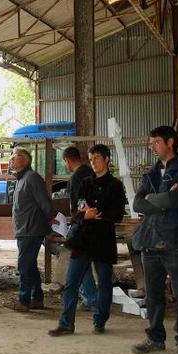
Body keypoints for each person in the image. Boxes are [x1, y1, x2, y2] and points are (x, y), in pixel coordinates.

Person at [131, 126, 178, 354]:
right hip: (150, 240)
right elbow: (137, 204)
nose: (152, 147)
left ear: (170, 142)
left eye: (156, 142)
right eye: (150, 143)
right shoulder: (151, 173)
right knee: (153, 295)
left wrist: (156, 200)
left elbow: (174, 199)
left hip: (176, 240)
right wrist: (159, 202)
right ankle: (155, 337)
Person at [49, 144, 126, 336]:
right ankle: (66, 323)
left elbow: (118, 214)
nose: (93, 163)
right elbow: (76, 210)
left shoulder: (115, 185)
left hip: (103, 240)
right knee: (71, 282)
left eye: (97, 159)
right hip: (82, 239)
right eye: (91, 159)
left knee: (105, 283)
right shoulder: (85, 183)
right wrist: (84, 216)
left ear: (107, 159)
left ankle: (100, 321)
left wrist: (98, 214)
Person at [3, 147, 55, 311]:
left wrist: (52, 219)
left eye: (15, 156)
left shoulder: (31, 177)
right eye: (11, 156)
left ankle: (23, 300)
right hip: (25, 229)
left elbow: (44, 201)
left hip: (31, 229)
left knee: (24, 265)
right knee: (30, 265)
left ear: (26, 160)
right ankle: (36, 298)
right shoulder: (21, 178)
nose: (11, 159)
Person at [62, 146, 97, 311]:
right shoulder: (91, 172)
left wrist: (78, 219)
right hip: (95, 222)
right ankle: (91, 295)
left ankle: (90, 297)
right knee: (86, 262)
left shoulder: (76, 178)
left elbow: (79, 202)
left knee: (79, 261)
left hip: (83, 224)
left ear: (67, 160)